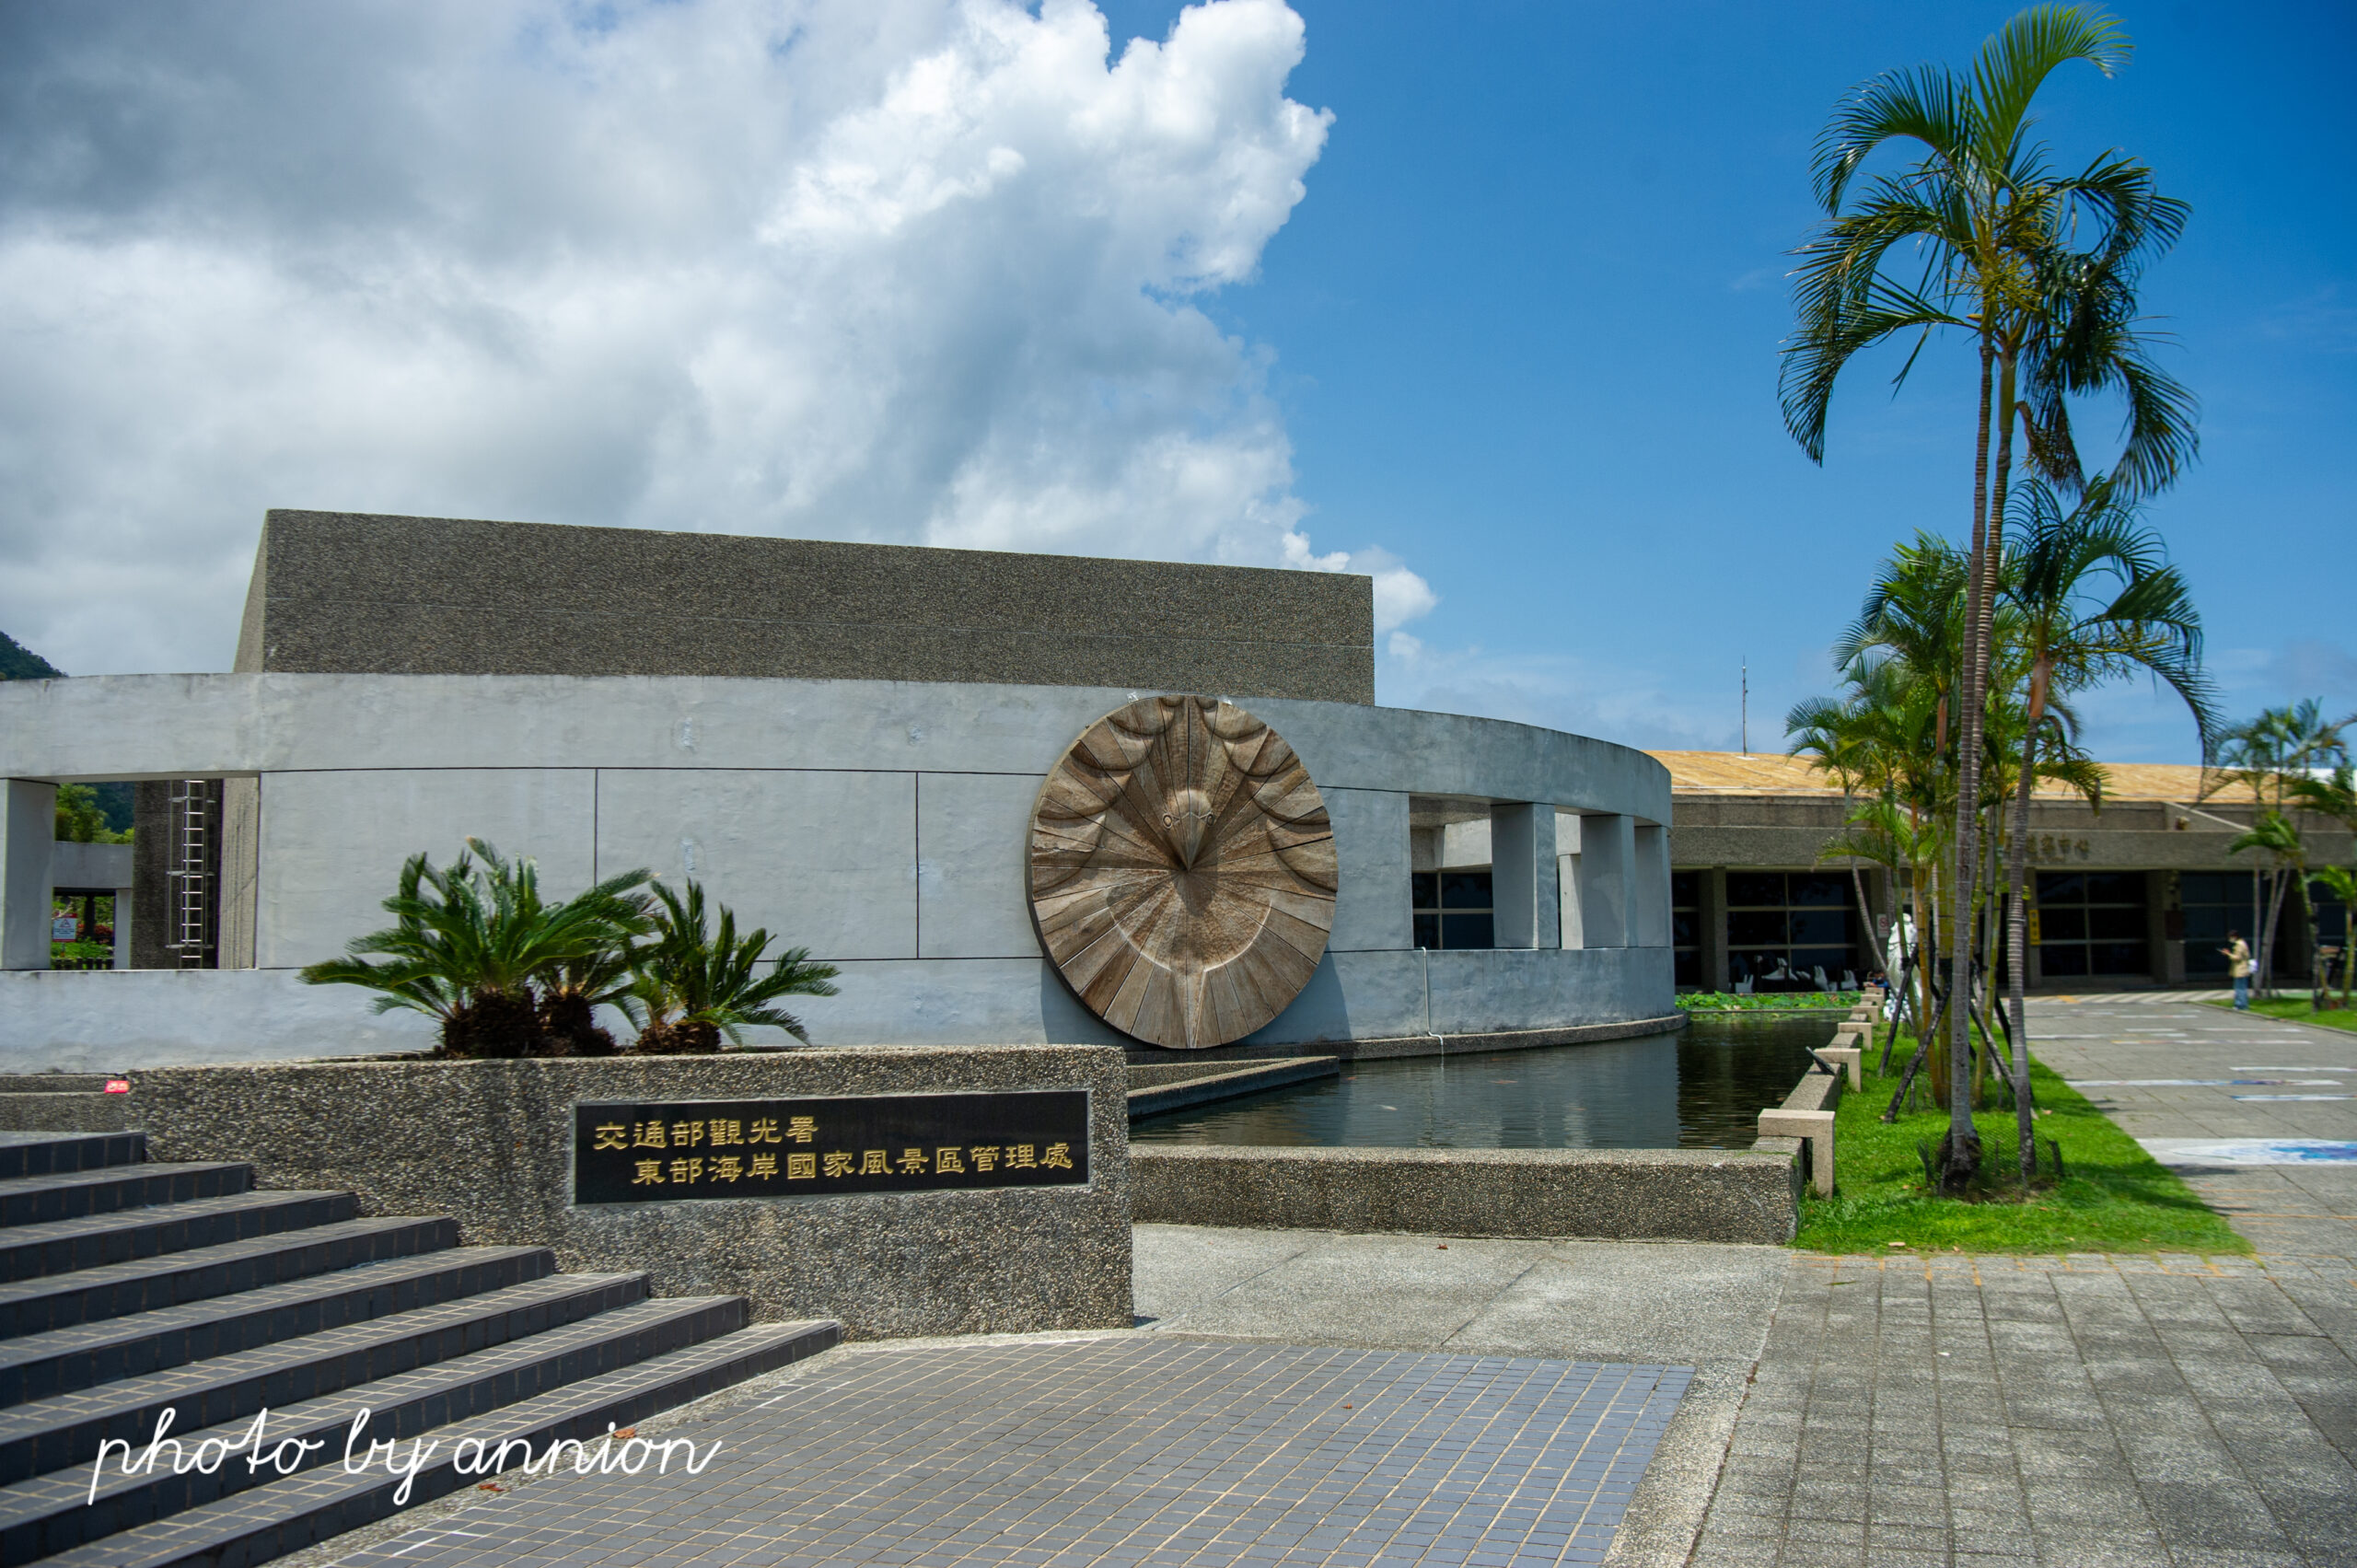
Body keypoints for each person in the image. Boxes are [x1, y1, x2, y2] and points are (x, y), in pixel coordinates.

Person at [2223, 929, 2253, 1010]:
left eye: (2230, 937)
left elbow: (2237, 958)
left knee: (2240, 988)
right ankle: (2239, 1004)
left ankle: (2241, 1005)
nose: (2230, 939)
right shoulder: (2242, 943)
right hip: (2242, 969)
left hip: (2241, 970)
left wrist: (2228, 954)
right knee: (2240, 987)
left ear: (2234, 937)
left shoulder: (2239, 944)